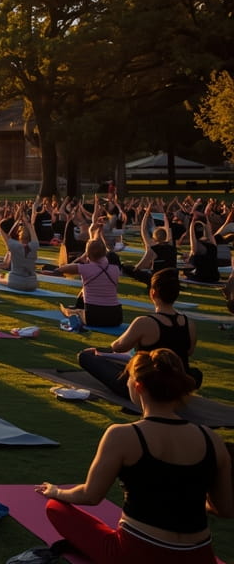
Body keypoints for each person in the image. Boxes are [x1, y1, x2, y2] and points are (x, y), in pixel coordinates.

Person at [37, 348, 234, 563]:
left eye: (129, 379)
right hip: (199, 556)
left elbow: (90, 496)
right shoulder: (211, 439)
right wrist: (185, 500)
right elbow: (224, 509)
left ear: (138, 386)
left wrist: (57, 492)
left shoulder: (122, 435)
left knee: (55, 508)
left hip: (136, 553)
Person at [78, 268, 201, 398]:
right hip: (176, 384)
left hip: (145, 387)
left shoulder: (144, 322)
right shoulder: (189, 324)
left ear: (153, 293)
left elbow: (118, 347)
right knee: (195, 374)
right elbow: (188, 352)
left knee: (86, 356)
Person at [56, 238, 124, 328]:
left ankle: (71, 310)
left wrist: (82, 258)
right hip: (116, 317)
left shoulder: (84, 268)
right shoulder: (115, 269)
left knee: (72, 311)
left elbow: (62, 269)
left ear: (87, 254)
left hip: (93, 316)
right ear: (105, 253)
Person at [0, 208, 41, 293]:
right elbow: (32, 229)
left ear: (19, 235)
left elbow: (0, 228)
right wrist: (27, 223)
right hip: (32, 283)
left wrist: (17, 221)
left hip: (16, 282)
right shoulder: (35, 245)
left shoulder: (14, 245)